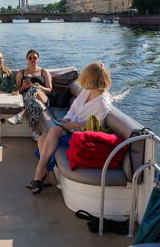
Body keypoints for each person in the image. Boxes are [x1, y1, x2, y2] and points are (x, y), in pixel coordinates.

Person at [29, 62, 113, 194]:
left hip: (83, 137)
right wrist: (68, 119)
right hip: (70, 128)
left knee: (51, 133)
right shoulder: (86, 92)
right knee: (42, 139)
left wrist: (75, 125)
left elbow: (95, 128)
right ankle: (45, 177)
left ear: (90, 78)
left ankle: (39, 172)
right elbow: (73, 110)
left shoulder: (102, 103)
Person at [6, 50, 53, 141]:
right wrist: (23, 87)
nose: (32, 59)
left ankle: (21, 114)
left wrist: (40, 87)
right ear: (26, 59)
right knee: (34, 104)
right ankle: (35, 132)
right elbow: (17, 92)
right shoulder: (21, 73)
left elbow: (50, 90)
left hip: (44, 99)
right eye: (30, 57)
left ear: (38, 59)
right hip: (30, 101)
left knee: (34, 88)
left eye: (34, 57)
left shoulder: (44, 72)